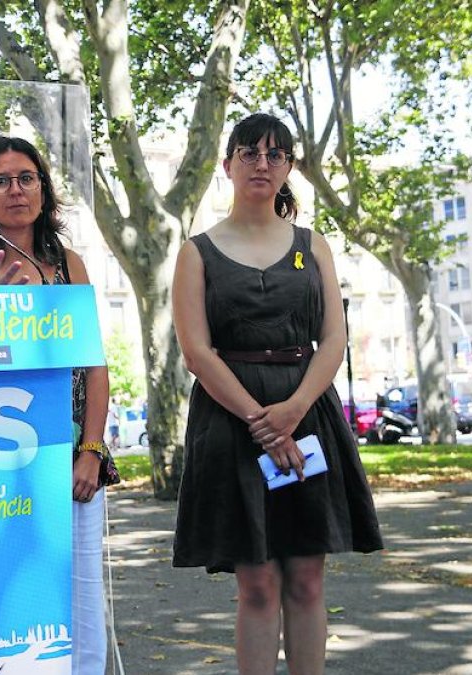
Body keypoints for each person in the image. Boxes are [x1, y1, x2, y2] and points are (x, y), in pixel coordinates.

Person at [170, 112, 383, 674]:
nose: (261, 163)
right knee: (259, 583)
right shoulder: (197, 252)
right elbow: (197, 352)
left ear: (288, 167)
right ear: (228, 165)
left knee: (308, 579)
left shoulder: (313, 247)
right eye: (249, 153)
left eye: (274, 154)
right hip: (230, 422)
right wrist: (260, 421)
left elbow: (333, 338)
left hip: (307, 413)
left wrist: (294, 410)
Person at [0, 136, 119, 675]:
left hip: (71, 465)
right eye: (1, 180)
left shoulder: (69, 266)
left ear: (43, 190)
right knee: (9, 610)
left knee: (84, 606)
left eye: (26, 177)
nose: (15, 189)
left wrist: (90, 450)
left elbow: (95, 366)